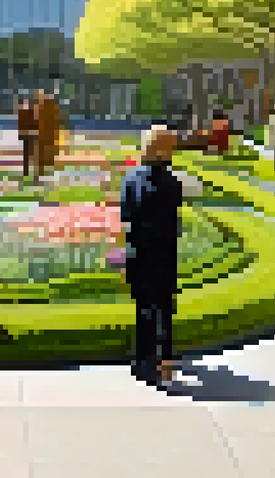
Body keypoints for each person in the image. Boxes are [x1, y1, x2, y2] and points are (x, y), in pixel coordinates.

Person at [120, 125, 184, 388]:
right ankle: (165, 360)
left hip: (140, 251)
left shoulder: (132, 180)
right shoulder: (174, 183)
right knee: (165, 307)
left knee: (144, 308)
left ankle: (143, 361)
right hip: (165, 252)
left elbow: (126, 216)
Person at [36, 89, 61, 177]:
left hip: (46, 133)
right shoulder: (47, 107)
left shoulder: (45, 107)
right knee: (44, 152)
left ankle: (43, 169)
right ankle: (43, 169)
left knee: (45, 152)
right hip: (45, 133)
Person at [17, 97, 39, 181]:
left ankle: (34, 174)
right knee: (27, 156)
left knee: (33, 155)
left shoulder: (32, 112)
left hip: (32, 135)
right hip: (28, 135)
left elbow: (36, 123)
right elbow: (21, 125)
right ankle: (27, 172)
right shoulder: (23, 113)